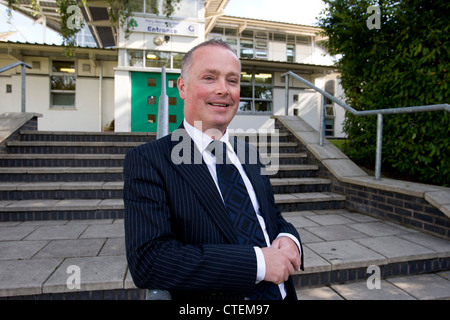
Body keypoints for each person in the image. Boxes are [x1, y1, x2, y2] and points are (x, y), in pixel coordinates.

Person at [123, 39, 303, 300]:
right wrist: (257, 263)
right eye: (209, 78)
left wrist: (290, 238)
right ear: (182, 87)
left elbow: (271, 217)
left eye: (232, 81)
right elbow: (150, 261)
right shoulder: (149, 161)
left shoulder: (250, 154)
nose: (223, 90)